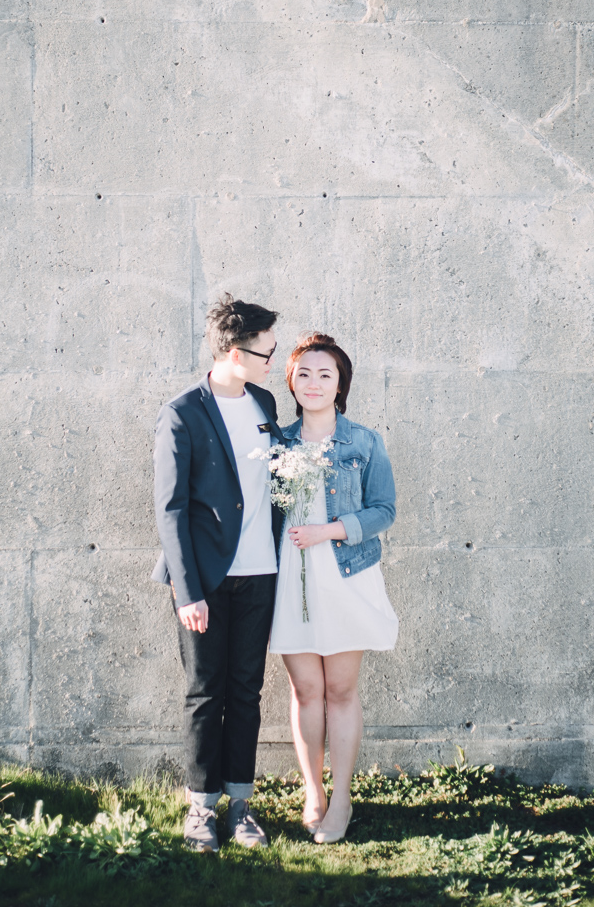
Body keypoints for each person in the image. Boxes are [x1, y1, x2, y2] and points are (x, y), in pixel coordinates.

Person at [152, 294, 285, 854]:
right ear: (235, 351)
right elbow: (171, 508)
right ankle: (201, 810)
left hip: (262, 573)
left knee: (247, 692)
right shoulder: (182, 413)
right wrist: (188, 591)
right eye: (266, 351)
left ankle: (241, 806)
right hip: (205, 580)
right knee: (205, 694)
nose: (273, 359)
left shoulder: (264, 402)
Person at [270, 333, 397, 844]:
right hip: (290, 583)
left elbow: (383, 509)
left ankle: (341, 797)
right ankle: (312, 793)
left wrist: (329, 530)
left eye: (325, 374)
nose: (314, 383)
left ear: (340, 382)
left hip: (346, 576)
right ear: (291, 382)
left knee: (341, 691)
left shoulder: (363, 442)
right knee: (306, 691)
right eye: (304, 374)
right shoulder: (276, 442)